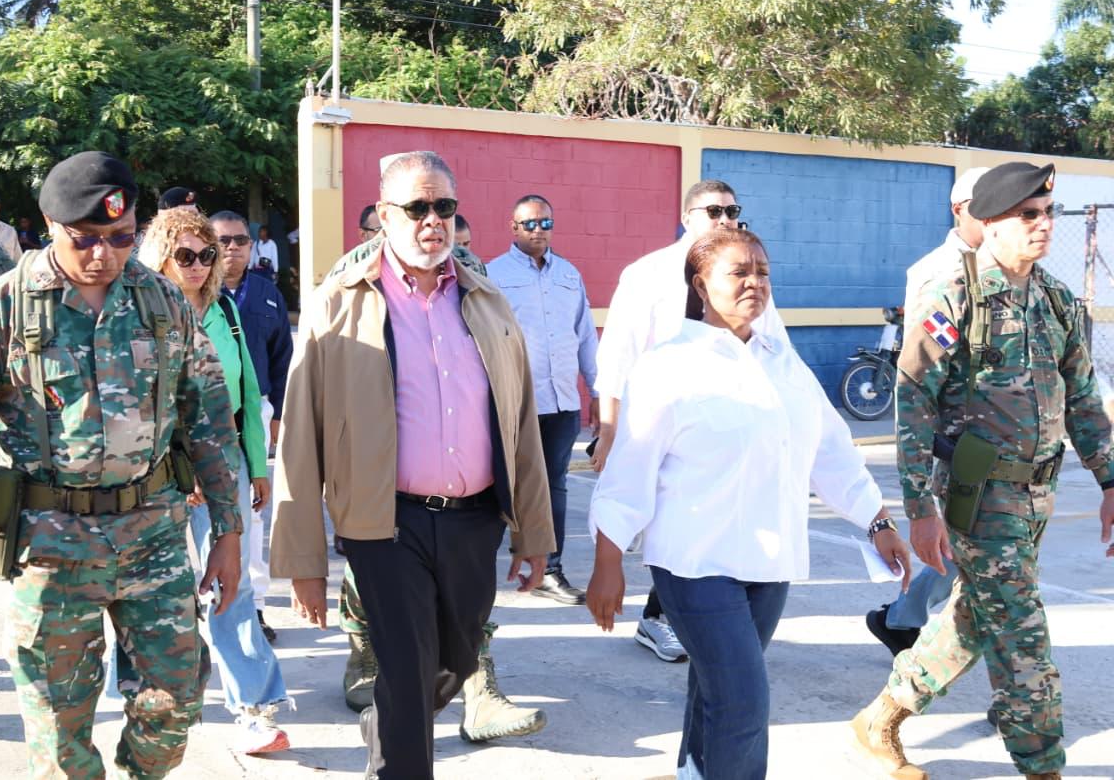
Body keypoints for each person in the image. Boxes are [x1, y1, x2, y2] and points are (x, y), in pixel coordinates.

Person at [0, 151, 245, 778]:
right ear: (49, 225)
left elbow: (208, 419)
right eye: (86, 238)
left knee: (175, 706)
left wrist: (229, 533)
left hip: (152, 536)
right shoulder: (4, 306)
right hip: (50, 547)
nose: (105, 255)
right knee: (59, 736)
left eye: (121, 238)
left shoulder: (162, 302)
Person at [588, 227, 910, 780]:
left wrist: (877, 520)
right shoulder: (666, 366)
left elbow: (831, 449)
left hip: (768, 565)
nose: (754, 282)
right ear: (701, 285)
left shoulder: (781, 362)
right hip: (694, 564)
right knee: (742, 703)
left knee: (716, 688)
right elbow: (628, 472)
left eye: (762, 271)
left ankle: (694, 772)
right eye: (738, 271)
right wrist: (607, 560)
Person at [273, 150, 555, 778]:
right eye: (417, 207)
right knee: (405, 664)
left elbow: (521, 424)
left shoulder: (487, 300)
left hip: (474, 520)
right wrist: (303, 563)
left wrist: (533, 532)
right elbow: (299, 439)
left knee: (454, 659)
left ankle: (388, 722)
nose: (433, 220)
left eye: (444, 206)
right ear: (383, 214)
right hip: (384, 525)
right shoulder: (339, 303)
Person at [853, 162, 1114, 780]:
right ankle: (1042, 766)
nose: (1043, 225)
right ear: (991, 222)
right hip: (979, 494)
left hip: (1039, 493)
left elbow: (1083, 397)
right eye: (1028, 215)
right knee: (1022, 634)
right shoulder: (953, 295)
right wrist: (919, 508)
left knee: (975, 615)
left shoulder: (1056, 300)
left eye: (1047, 213)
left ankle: (881, 716)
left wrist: (1110, 479)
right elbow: (914, 400)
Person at [592, 178, 789, 664]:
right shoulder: (647, 273)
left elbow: (774, 348)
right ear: (686, 218)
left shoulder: (745, 273)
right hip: (660, 419)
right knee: (665, 519)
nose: (725, 220)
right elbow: (618, 353)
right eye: (713, 211)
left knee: (703, 523)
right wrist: (610, 429)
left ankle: (672, 619)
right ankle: (661, 618)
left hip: (725, 424)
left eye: (732, 211)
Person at [136, 207, 291, 754]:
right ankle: (157, 696)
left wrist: (258, 466)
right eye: (185, 255)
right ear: (161, 257)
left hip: (225, 465)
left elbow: (247, 393)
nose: (199, 265)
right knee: (159, 589)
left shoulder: (225, 309)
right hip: (160, 472)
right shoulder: (141, 314)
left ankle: (254, 705)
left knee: (234, 583)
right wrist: (181, 462)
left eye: (207, 254)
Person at [865, 166, 989, 656]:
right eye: (987, 205)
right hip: (962, 443)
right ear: (960, 209)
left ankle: (901, 619)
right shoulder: (940, 272)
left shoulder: (1002, 267)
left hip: (998, 442)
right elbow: (920, 371)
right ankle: (904, 623)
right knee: (974, 553)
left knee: (974, 552)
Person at [487, 194, 599, 603]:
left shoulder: (568, 274)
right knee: (500, 486)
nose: (539, 231)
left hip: (563, 402)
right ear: (513, 227)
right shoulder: (493, 275)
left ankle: (550, 570)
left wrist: (597, 391)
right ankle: (478, 569)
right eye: (530, 224)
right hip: (515, 404)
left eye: (546, 223)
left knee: (554, 487)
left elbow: (584, 335)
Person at [210, 210, 293, 643]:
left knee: (253, 513)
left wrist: (277, 414)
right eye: (222, 240)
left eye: (240, 240)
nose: (232, 248)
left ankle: (253, 606)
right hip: (202, 416)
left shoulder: (265, 293)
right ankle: (202, 605)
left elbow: (283, 358)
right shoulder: (192, 291)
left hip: (253, 415)